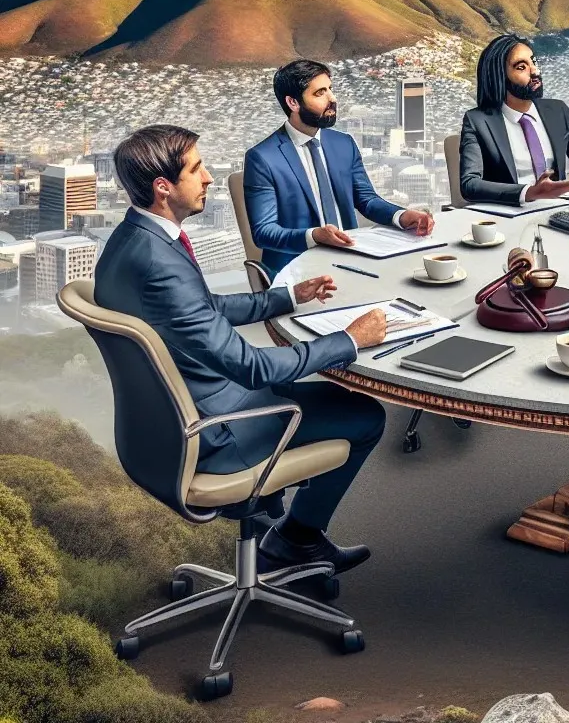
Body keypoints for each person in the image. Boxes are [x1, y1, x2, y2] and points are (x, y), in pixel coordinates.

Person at [94, 125, 391, 574]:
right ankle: (297, 539)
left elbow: (201, 307)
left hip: (160, 429)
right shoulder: (161, 264)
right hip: (217, 428)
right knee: (366, 415)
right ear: (163, 187)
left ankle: (291, 532)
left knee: (326, 394)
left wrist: (288, 297)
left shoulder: (132, 240)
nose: (210, 177)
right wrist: (351, 340)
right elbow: (251, 368)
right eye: (196, 169)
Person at [243, 59, 435, 279]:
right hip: (297, 272)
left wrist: (401, 216)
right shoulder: (262, 158)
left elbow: (366, 200)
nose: (332, 99)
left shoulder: (344, 144)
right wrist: (314, 236)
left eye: (330, 90)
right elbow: (264, 232)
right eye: (320, 93)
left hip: (352, 261)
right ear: (293, 103)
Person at [460, 35, 569, 206]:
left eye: (534, 62)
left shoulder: (558, 111)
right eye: (521, 67)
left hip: (556, 210)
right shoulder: (478, 121)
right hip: (507, 216)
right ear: (499, 76)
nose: (535, 71)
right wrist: (528, 192)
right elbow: (470, 184)